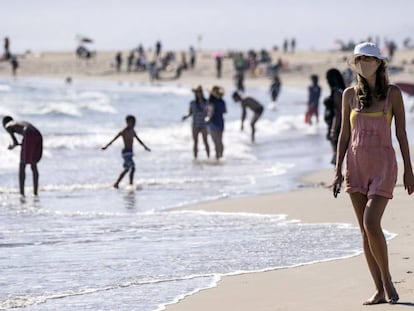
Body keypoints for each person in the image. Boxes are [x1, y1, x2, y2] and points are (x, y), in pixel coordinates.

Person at [333, 42, 414, 305]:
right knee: (364, 232)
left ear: (379, 63)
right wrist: (337, 171)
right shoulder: (349, 95)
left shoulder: (392, 94)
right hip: (355, 167)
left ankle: (388, 280)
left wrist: (409, 171)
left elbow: (401, 134)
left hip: (383, 166)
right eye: (359, 58)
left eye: (369, 58)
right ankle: (379, 289)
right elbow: (344, 134)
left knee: (371, 223)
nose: (364, 62)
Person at [102, 115, 151, 188]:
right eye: (133, 122)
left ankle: (117, 183)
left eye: (135, 123)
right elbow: (114, 139)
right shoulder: (123, 131)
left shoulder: (133, 131)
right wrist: (106, 146)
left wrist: (145, 147)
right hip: (126, 152)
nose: (134, 124)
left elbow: (139, 140)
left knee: (127, 169)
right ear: (128, 122)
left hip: (130, 152)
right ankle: (130, 184)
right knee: (133, 168)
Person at [2, 116, 43, 196]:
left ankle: (22, 193)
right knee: (33, 164)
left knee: (22, 165)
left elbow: (15, 142)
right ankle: (35, 192)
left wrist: (12, 146)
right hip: (37, 134)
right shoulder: (19, 123)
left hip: (28, 134)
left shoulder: (8, 125)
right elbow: (19, 142)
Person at [324, 68, 346, 164]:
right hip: (336, 124)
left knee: (337, 153)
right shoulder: (341, 91)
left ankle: (338, 175)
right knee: (338, 153)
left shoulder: (337, 92)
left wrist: (333, 129)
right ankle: (339, 174)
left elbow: (338, 112)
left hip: (336, 125)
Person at [182, 85, 210, 159]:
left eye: (199, 92)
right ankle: (195, 158)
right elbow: (190, 112)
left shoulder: (206, 102)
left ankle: (208, 157)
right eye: (197, 92)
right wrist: (185, 116)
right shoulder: (193, 103)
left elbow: (209, 113)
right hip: (195, 124)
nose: (198, 94)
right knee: (195, 142)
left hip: (204, 124)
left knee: (205, 141)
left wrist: (209, 119)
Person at [206, 86, 226, 159]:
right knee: (220, 141)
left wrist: (206, 121)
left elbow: (210, 114)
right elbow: (225, 111)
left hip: (213, 123)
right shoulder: (222, 102)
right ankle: (221, 156)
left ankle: (217, 157)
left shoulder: (211, 102)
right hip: (220, 122)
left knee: (215, 142)